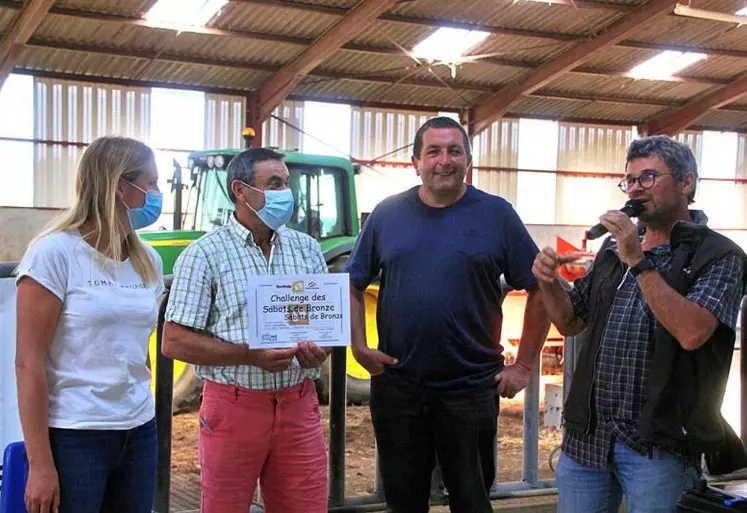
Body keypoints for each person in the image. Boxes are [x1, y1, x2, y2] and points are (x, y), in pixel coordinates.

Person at [345, 116, 550, 513]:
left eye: (454, 151)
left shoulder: (497, 214)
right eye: (434, 151)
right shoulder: (387, 215)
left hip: (471, 388)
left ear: (469, 161)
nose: (444, 160)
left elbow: (539, 287)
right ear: (415, 162)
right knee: (404, 501)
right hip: (399, 385)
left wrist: (523, 365)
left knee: (472, 500)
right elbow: (352, 283)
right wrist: (358, 346)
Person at [532, 135, 747, 513]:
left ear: (686, 183)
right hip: (589, 440)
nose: (635, 188)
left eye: (648, 177)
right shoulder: (611, 252)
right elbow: (569, 320)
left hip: (658, 445)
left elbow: (693, 332)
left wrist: (639, 260)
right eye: (629, 180)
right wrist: (548, 282)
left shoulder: (720, 255)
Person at [162, 148, 329, 513]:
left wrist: (320, 350)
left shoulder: (308, 249)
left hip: (299, 404)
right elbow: (173, 340)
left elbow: (323, 325)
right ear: (241, 190)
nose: (286, 192)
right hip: (234, 406)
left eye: (286, 182)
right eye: (274, 183)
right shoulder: (205, 254)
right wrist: (248, 355)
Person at [15, 136, 165, 513]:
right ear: (119, 187)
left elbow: (136, 348)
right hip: (74, 436)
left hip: (138, 431)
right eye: (151, 184)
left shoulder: (147, 260)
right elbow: (28, 363)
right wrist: (40, 465)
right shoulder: (54, 253)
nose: (157, 194)